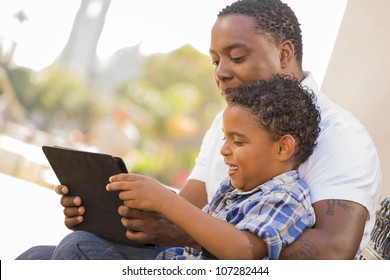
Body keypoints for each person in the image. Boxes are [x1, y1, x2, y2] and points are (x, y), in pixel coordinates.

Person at [17, 0, 381, 260]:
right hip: (199, 258)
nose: (220, 72)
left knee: (78, 252)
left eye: (236, 57)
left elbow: (331, 256)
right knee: (38, 257)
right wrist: (115, 213)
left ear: (285, 53)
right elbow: (189, 208)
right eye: (215, 60)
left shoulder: (340, 134)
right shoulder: (230, 117)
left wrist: (181, 226)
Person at [106, 74, 320, 260]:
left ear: (283, 148)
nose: (224, 150)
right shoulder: (232, 188)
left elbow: (243, 251)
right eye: (225, 139)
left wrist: (166, 201)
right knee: (83, 243)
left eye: (238, 141)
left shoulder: (287, 197)